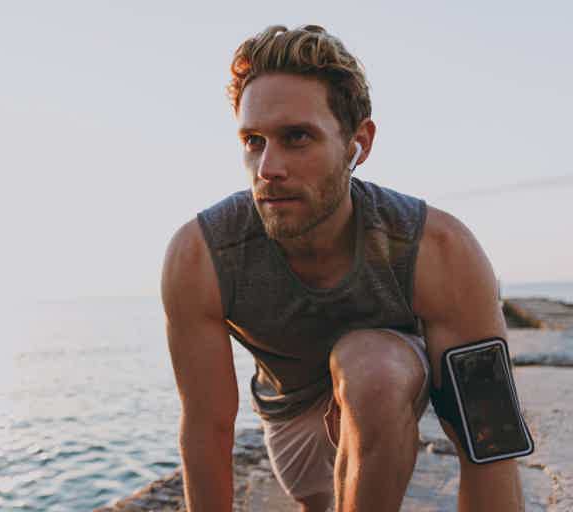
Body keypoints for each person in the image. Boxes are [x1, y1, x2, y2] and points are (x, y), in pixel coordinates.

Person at [160, 25, 525, 512]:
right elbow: (207, 428)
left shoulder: (438, 248)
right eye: (253, 141)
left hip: (386, 389)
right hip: (291, 420)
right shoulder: (202, 254)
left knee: (374, 369)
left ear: (359, 143)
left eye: (297, 137)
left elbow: (490, 442)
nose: (268, 168)